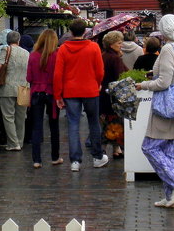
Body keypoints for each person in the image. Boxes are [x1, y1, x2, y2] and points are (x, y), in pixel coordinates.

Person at [135, 14, 174, 209]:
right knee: (170, 150)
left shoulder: (169, 49)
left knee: (149, 147)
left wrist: (142, 85)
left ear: (163, 30)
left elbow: (164, 83)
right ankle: (171, 197)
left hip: (168, 107)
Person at [54, 18, 109, 172]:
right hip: (90, 89)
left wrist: (58, 95)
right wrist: (98, 82)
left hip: (71, 91)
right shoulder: (94, 48)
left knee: (73, 124)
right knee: (94, 123)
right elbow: (100, 71)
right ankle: (97, 156)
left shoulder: (63, 49)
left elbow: (58, 74)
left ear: (71, 32)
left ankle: (75, 161)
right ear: (85, 31)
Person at [27, 29, 61, 168]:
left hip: (36, 93)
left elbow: (28, 78)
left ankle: (36, 160)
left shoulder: (33, 56)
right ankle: (55, 157)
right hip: (52, 93)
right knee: (54, 126)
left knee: (37, 127)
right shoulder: (56, 56)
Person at [0, 30, 30, 152]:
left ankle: (13, 144)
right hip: (24, 87)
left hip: (8, 87)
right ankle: (20, 141)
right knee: (21, 117)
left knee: (8, 116)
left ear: (7, 40)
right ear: (18, 40)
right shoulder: (26, 53)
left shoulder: (6, 50)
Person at [100, 31, 126, 159]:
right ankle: (105, 149)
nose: (121, 45)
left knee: (109, 121)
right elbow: (121, 76)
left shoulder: (103, 55)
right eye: (119, 43)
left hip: (103, 94)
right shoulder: (114, 59)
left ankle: (117, 148)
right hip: (113, 95)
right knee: (114, 122)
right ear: (111, 45)